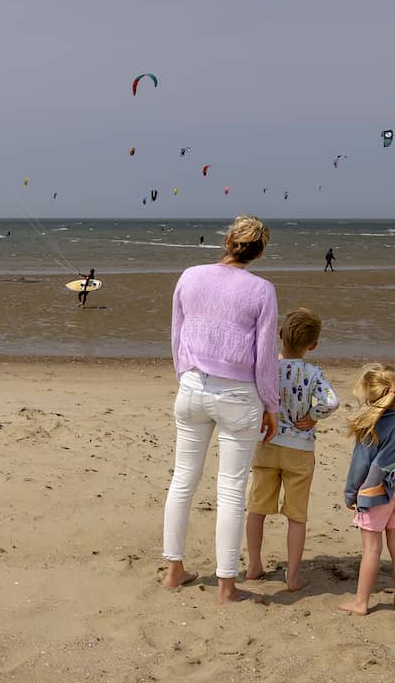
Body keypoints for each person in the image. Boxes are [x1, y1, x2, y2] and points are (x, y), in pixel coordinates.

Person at [162, 214, 279, 604]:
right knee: (230, 490)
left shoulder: (190, 275)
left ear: (228, 240)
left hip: (193, 386)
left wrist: (186, 375)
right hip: (238, 396)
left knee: (182, 481)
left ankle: (174, 569)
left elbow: (177, 334)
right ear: (259, 252)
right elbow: (265, 358)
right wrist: (271, 404)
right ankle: (226, 586)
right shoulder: (262, 290)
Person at [245, 308, 338, 592]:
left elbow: (252, 395)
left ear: (280, 335)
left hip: (267, 443)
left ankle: (254, 565)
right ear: (313, 345)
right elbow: (331, 402)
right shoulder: (313, 372)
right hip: (300, 448)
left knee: (257, 508)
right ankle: (293, 575)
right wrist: (313, 415)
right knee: (297, 515)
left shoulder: (267, 367)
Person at [339, 363, 395, 616]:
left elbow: (359, 467)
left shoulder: (372, 427)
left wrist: (350, 494)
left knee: (372, 549)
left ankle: (361, 603)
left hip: (376, 495)